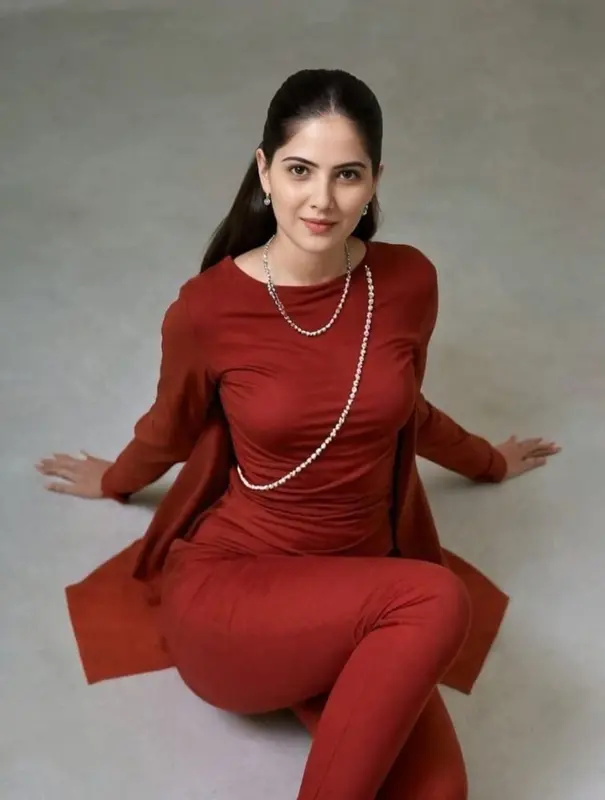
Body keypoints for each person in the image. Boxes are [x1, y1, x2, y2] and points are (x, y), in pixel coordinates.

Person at [36, 69, 560, 799]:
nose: (321, 200)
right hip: (238, 596)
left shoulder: (407, 283)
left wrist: (487, 464)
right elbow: (171, 426)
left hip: (361, 595)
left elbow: (404, 407)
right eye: (299, 170)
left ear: (376, 180)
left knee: (440, 792)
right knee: (437, 600)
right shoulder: (209, 308)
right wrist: (118, 479)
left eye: (347, 175)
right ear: (263, 171)